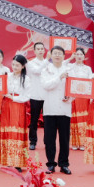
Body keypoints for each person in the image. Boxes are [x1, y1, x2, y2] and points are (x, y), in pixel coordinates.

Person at [41, 45, 74, 174]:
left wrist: (70, 98)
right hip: (50, 108)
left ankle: (64, 164)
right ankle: (50, 163)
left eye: (60, 53)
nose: (57, 55)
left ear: (64, 56)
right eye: (55, 53)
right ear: (51, 55)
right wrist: (59, 77)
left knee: (64, 139)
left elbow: (74, 88)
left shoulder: (69, 70)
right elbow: (46, 85)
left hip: (65, 108)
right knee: (49, 138)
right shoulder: (46, 70)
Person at [0, 54, 31, 170]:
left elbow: (27, 96)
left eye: (17, 65)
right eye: (13, 64)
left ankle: (17, 162)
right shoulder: (8, 76)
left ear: (23, 66)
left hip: (18, 105)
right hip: (6, 105)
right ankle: (8, 160)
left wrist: (14, 98)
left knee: (17, 132)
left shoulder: (26, 79)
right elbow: (2, 89)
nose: (14, 67)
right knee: (7, 131)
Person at [25, 41, 48, 150]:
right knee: (34, 120)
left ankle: (47, 141)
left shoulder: (49, 63)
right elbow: (37, 71)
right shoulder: (30, 63)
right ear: (34, 51)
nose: (40, 51)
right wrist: (48, 60)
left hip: (47, 95)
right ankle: (32, 141)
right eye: (38, 49)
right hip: (35, 95)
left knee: (48, 120)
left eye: (41, 49)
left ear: (44, 50)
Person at [68, 48, 91, 151]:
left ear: (84, 56)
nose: (79, 56)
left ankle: (82, 143)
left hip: (84, 96)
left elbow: (91, 82)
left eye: (81, 54)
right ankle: (74, 142)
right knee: (74, 119)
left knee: (83, 119)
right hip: (73, 96)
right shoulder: (69, 67)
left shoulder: (88, 69)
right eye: (77, 54)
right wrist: (70, 58)